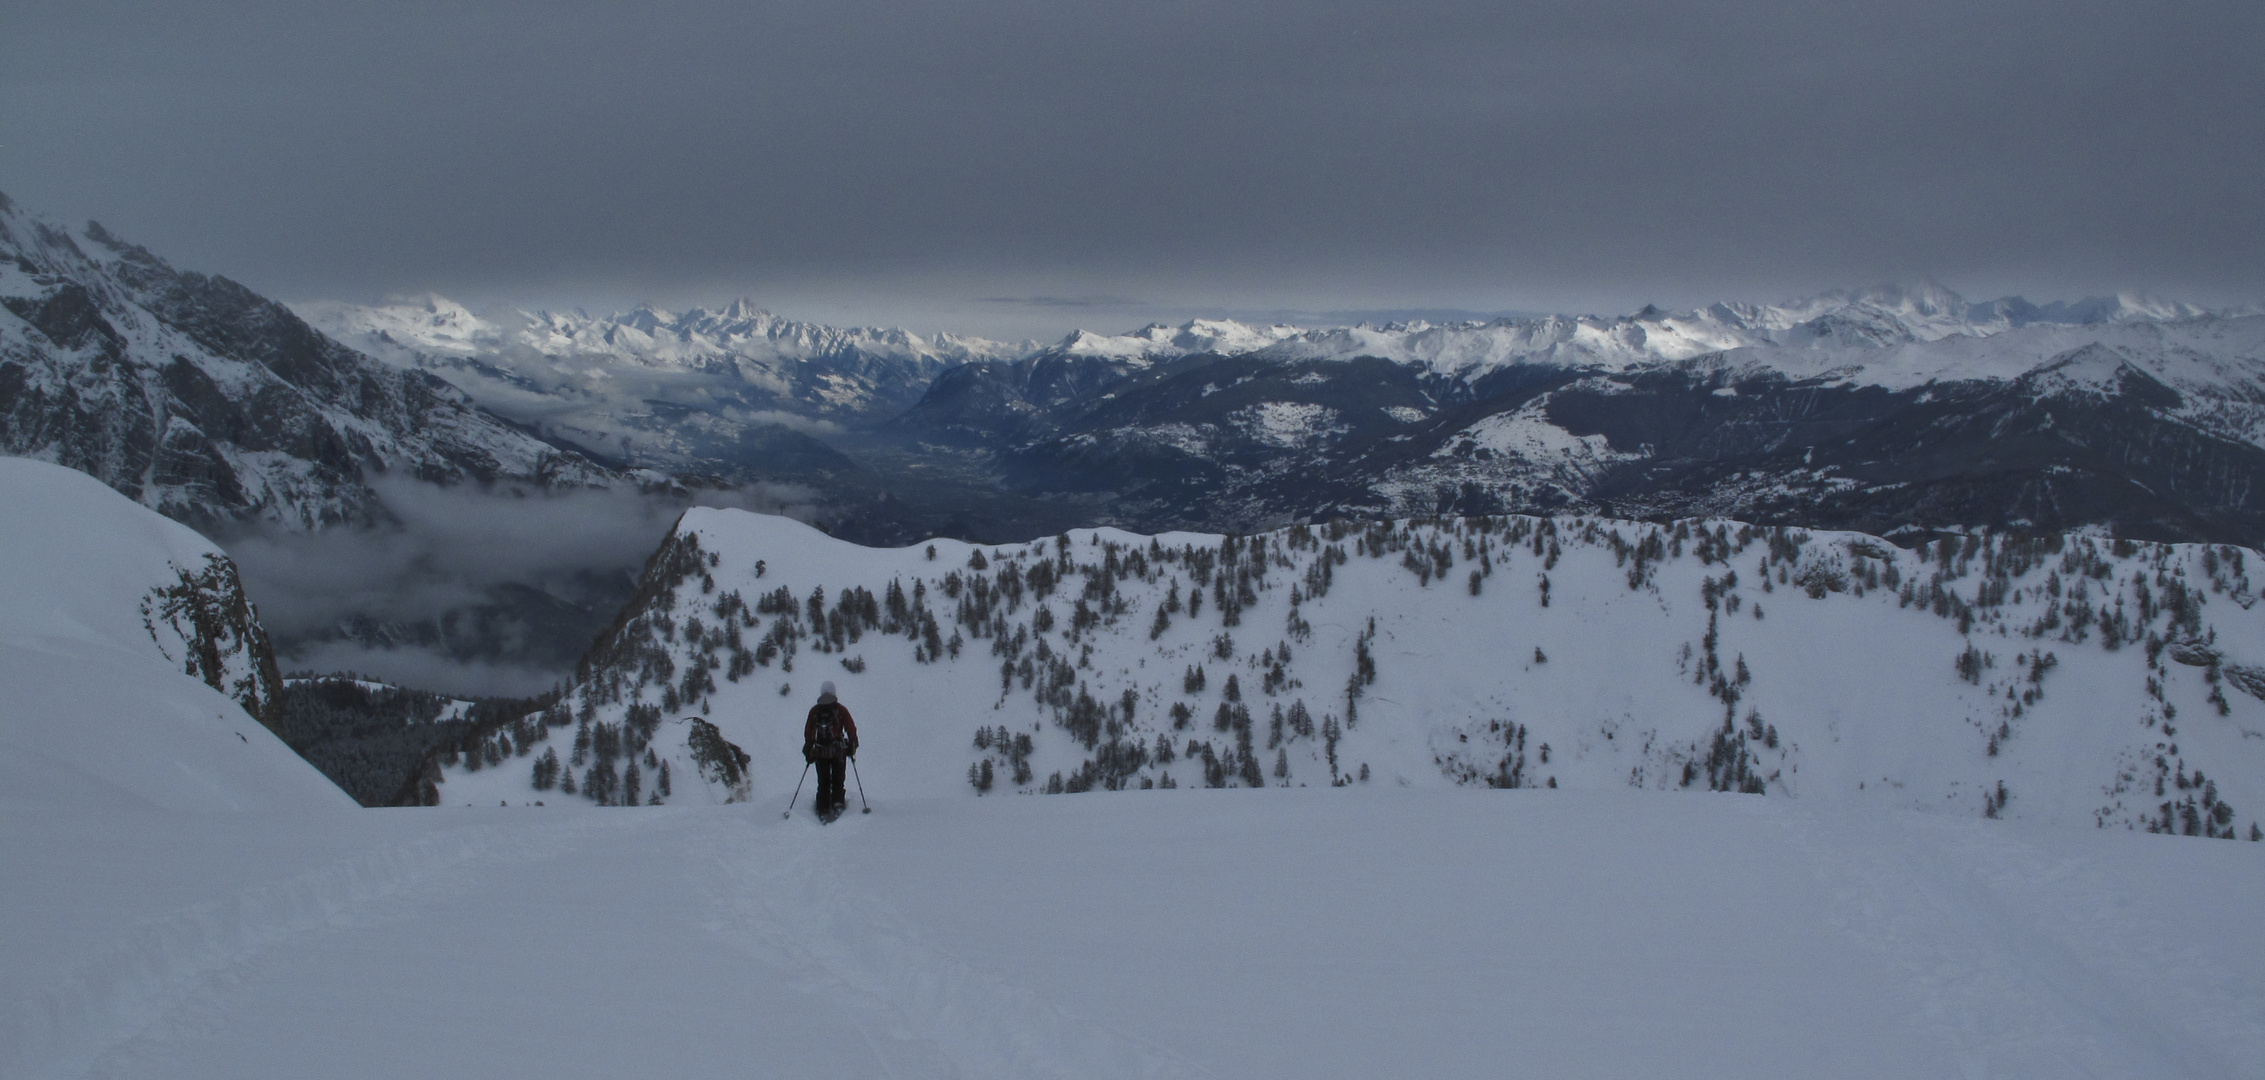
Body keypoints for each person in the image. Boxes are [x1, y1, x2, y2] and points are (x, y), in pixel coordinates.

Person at [802, 681, 859, 818]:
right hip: (838, 751)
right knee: (838, 780)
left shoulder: (815, 711)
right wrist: (852, 744)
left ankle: (822, 808)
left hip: (820, 751)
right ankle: (837, 803)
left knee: (823, 781)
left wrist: (809, 747)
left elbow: (809, 731)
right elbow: (851, 728)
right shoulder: (840, 710)